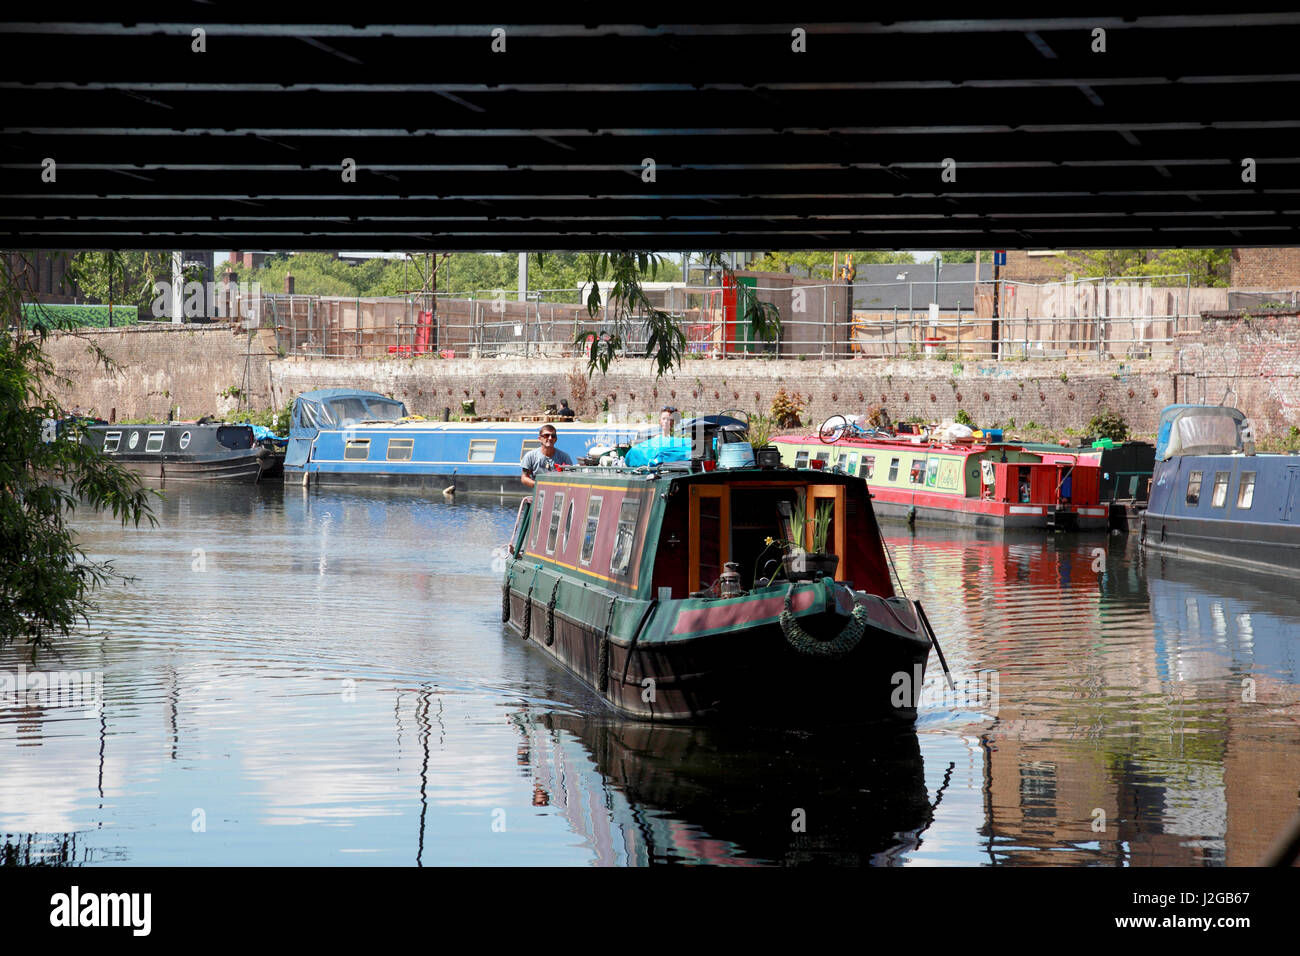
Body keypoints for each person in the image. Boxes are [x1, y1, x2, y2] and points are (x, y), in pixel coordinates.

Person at [624, 406, 691, 468]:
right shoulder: (656, 439)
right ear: (660, 421)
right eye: (663, 419)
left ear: (672, 422)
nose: (666, 421)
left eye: (668, 419)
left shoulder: (676, 439)